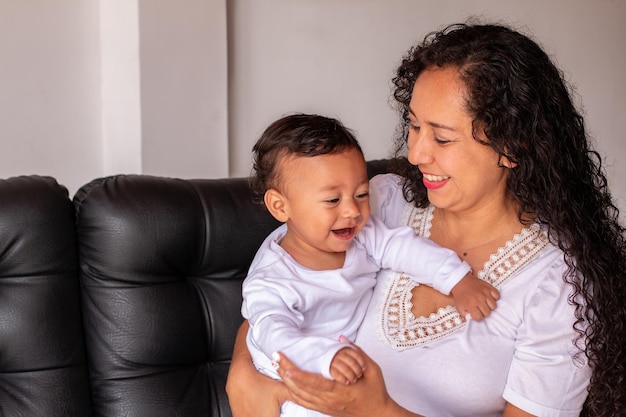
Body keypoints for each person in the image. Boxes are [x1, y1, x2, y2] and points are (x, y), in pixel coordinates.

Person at [226, 21, 626, 417]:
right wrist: (245, 373)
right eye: (414, 126)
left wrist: (378, 411)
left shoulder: (557, 283)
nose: (415, 153)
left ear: (511, 146)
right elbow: (284, 281)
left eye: (442, 137)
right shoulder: (379, 202)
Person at [243, 113, 499, 417]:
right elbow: (275, 336)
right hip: (292, 376)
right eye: (332, 201)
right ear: (280, 206)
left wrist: (457, 280)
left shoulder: (361, 234)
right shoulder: (270, 281)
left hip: (347, 367)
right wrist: (325, 358)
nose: (352, 210)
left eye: (361, 194)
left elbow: (403, 247)